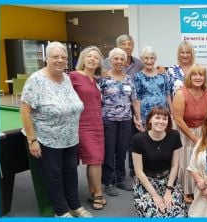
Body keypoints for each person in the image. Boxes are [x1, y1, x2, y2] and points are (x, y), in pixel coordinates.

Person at [20, 41, 92, 217]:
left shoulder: (66, 78)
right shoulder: (36, 80)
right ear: (47, 58)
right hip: (47, 138)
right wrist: (32, 140)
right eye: (55, 57)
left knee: (70, 173)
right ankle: (60, 211)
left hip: (70, 137)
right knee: (54, 176)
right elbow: (25, 112)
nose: (60, 60)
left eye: (63, 57)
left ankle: (74, 205)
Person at [99, 47, 145, 197]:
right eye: (116, 59)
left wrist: (137, 118)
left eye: (122, 59)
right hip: (109, 120)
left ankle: (120, 179)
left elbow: (135, 101)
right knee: (109, 151)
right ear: (111, 61)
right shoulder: (104, 78)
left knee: (122, 151)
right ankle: (108, 182)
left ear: (126, 62)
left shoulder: (128, 79)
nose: (119, 61)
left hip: (126, 120)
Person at [131, 106, 187, 217]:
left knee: (176, 214)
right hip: (146, 182)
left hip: (168, 180)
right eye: (157, 118)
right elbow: (139, 171)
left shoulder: (174, 135)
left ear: (168, 121)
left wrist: (168, 191)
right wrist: (155, 195)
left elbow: (175, 165)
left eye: (164, 119)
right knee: (155, 214)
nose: (161, 121)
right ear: (150, 120)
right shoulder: (138, 139)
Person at [69, 46, 107, 210]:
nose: (92, 59)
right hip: (82, 124)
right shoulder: (74, 76)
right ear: (83, 59)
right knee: (94, 159)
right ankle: (98, 193)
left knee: (95, 159)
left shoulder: (96, 80)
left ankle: (92, 190)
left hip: (97, 124)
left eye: (96, 57)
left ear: (99, 62)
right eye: (89, 56)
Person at [173, 64, 207, 204]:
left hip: (202, 129)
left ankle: (200, 186)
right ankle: (186, 190)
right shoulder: (180, 93)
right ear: (189, 77)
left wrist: (205, 137)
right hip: (184, 130)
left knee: (201, 161)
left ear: (204, 77)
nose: (198, 77)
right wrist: (194, 138)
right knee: (186, 161)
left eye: (200, 75)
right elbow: (177, 119)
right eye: (194, 74)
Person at [134, 46, 172, 124]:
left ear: (155, 59)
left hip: (163, 113)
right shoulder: (138, 76)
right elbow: (137, 99)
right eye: (146, 58)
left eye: (152, 58)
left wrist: (172, 113)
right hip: (146, 114)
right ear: (141, 59)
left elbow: (168, 94)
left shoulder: (162, 74)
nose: (149, 61)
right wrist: (138, 119)